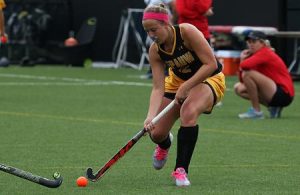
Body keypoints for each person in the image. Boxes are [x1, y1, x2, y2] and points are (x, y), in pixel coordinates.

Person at [142, 4, 225, 186]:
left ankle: (180, 170)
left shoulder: (187, 32)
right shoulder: (155, 50)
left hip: (209, 78)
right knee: (156, 133)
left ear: (166, 24)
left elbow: (210, 63)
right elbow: (158, 88)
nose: (151, 35)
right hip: (177, 82)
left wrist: (187, 86)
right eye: (147, 31)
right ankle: (164, 144)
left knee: (188, 111)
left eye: (154, 30)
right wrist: (150, 117)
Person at [234, 31, 294, 119]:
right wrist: (243, 60)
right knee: (239, 88)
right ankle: (273, 107)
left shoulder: (265, 52)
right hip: (275, 91)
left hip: (284, 93)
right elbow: (243, 80)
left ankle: (256, 112)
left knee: (248, 74)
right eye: (249, 42)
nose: (251, 44)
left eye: (254, 42)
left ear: (262, 43)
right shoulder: (256, 55)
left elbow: (244, 68)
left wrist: (242, 60)